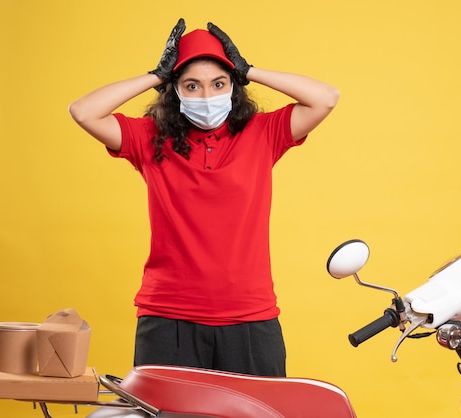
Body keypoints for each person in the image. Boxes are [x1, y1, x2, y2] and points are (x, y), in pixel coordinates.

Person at [68, 18, 339, 377]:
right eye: (191, 85)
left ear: (233, 87)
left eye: (219, 83)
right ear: (175, 90)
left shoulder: (262, 134)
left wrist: (249, 70)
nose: (207, 97)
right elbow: (83, 111)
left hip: (250, 318)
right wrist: (155, 74)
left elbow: (326, 98)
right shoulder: (150, 138)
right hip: (168, 319)